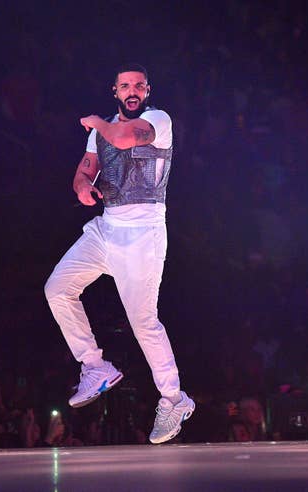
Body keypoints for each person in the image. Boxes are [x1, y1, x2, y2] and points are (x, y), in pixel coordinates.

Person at [45, 63, 194, 444]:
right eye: (124, 86)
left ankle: (174, 399)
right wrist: (82, 189)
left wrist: (96, 121)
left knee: (143, 321)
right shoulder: (100, 131)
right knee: (58, 288)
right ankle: (94, 367)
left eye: (138, 86)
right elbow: (84, 172)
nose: (131, 91)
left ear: (147, 90)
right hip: (106, 227)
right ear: (115, 90)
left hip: (142, 233)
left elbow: (125, 139)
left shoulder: (157, 120)